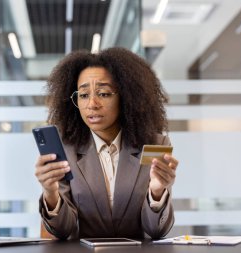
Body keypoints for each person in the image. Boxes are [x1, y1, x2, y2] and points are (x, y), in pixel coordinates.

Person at [34, 47, 179, 240]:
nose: (92, 104)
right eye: (84, 95)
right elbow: (63, 230)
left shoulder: (154, 144)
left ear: (127, 97)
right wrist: (50, 193)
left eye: (103, 93)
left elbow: (156, 231)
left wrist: (157, 191)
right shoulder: (66, 149)